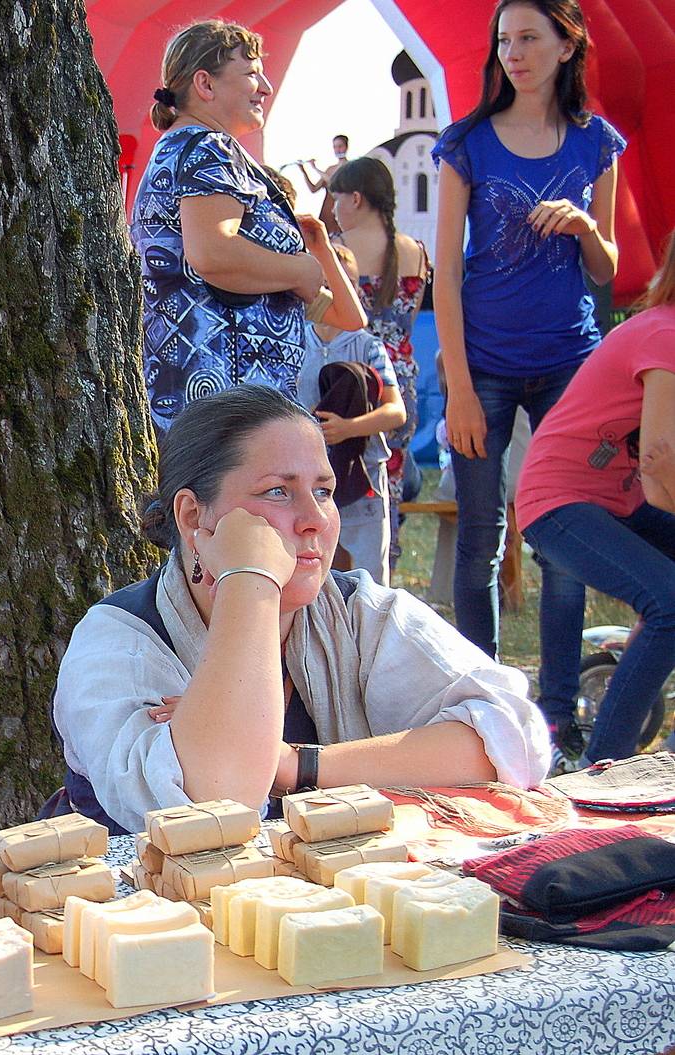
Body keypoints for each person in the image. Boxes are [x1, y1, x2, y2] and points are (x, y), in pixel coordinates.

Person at [53, 384, 550, 832]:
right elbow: (210, 805)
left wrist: (296, 764)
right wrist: (250, 580)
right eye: (278, 491)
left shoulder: (357, 614)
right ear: (192, 516)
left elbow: (517, 738)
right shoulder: (120, 641)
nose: (315, 519)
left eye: (323, 491)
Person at [433, 0, 623, 669]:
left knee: (561, 537)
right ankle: (482, 695)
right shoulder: (466, 143)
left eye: (529, 38)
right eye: (504, 39)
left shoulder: (596, 142)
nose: (512, 53)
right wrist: (458, 389)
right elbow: (446, 273)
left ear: (567, 46)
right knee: (480, 538)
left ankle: (558, 704)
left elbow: (608, 266)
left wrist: (585, 227)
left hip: (571, 363)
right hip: (482, 364)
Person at [132, 20, 364, 432]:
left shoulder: (180, 148)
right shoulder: (209, 146)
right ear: (205, 84)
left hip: (209, 402)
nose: (266, 88)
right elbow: (213, 253)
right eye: (252, 73)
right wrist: (300, 269)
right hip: (229, 405)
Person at [516, 234, 675, 766]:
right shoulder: (665, 334)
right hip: (557, 500)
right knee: (669, 602)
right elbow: (659, 473)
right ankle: (603, 768)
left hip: (613, 501)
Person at [329, 156, 433, 567]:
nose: (335, 208)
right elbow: (409, 321)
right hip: (400, 382)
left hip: (348, 378)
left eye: (337, 198)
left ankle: (339, 574)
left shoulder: (338, 251)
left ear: (356, 198)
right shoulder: (415, 251)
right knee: (387, 484)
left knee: (339, 484)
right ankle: (386, 567)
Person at [297, 246, 406, 583]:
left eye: (345, 284)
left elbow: (395, 411)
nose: (333, 292)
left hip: (362, 473)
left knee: (369, 576)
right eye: (325, 284)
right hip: (307, 477)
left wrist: (349, 428)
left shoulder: (367, 345)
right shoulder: (295, 340)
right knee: (311, 570)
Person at [299, 134, 350, 235]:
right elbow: (313, 189)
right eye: (335, 147)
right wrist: (303, 171)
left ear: (346, 147)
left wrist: (315, 168)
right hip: (327, 210)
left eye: (340, 146)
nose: (337, 150)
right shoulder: (330, 169)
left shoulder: (349, 167)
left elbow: (333, 183)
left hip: (340, 209)